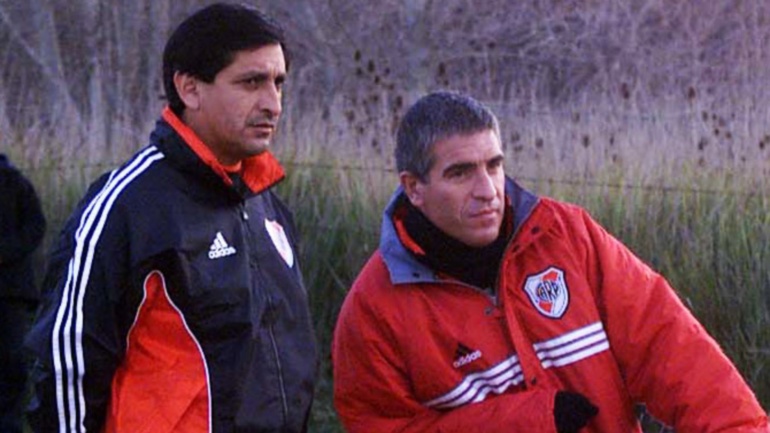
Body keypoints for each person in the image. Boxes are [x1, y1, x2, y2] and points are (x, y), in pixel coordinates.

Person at [332, 91, 769, 432]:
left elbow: (673, 349)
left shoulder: (568, 237)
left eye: (495, 165)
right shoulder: (373, 313)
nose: (488, 190)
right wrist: (529, 421)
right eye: (460, 173)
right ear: (413, 187)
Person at [24, 4, 317, 432]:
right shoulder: (129, 207)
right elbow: (67, 365)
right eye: (251, 82)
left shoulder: (266, 204)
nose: (272, 103)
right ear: (189, 88)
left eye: (278, 83)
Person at [0, 154, 47, 433]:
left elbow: (35, 228)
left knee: (11, 370)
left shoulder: (13, 182)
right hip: (14, 293)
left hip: (11, 294)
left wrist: (6, 252)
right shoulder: (14, 180)